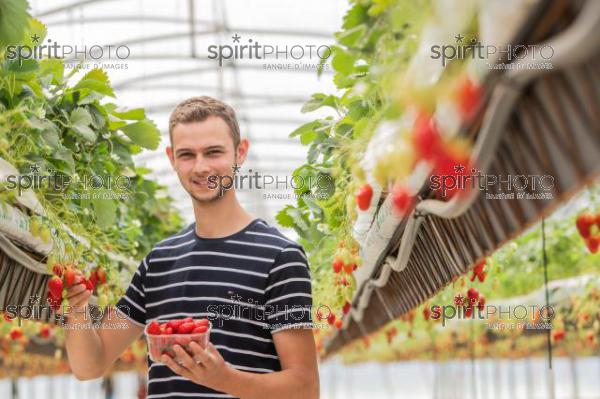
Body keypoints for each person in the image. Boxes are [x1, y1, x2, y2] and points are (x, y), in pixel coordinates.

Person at [63, 96, 319, 399]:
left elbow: (305, 388)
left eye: (213, 152)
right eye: (187, 155)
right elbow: (90, 366)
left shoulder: (280, 258)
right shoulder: (157, 263)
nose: (201, 166)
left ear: (240, 152)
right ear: (172, 158)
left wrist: (225, 379)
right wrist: (78, 312)